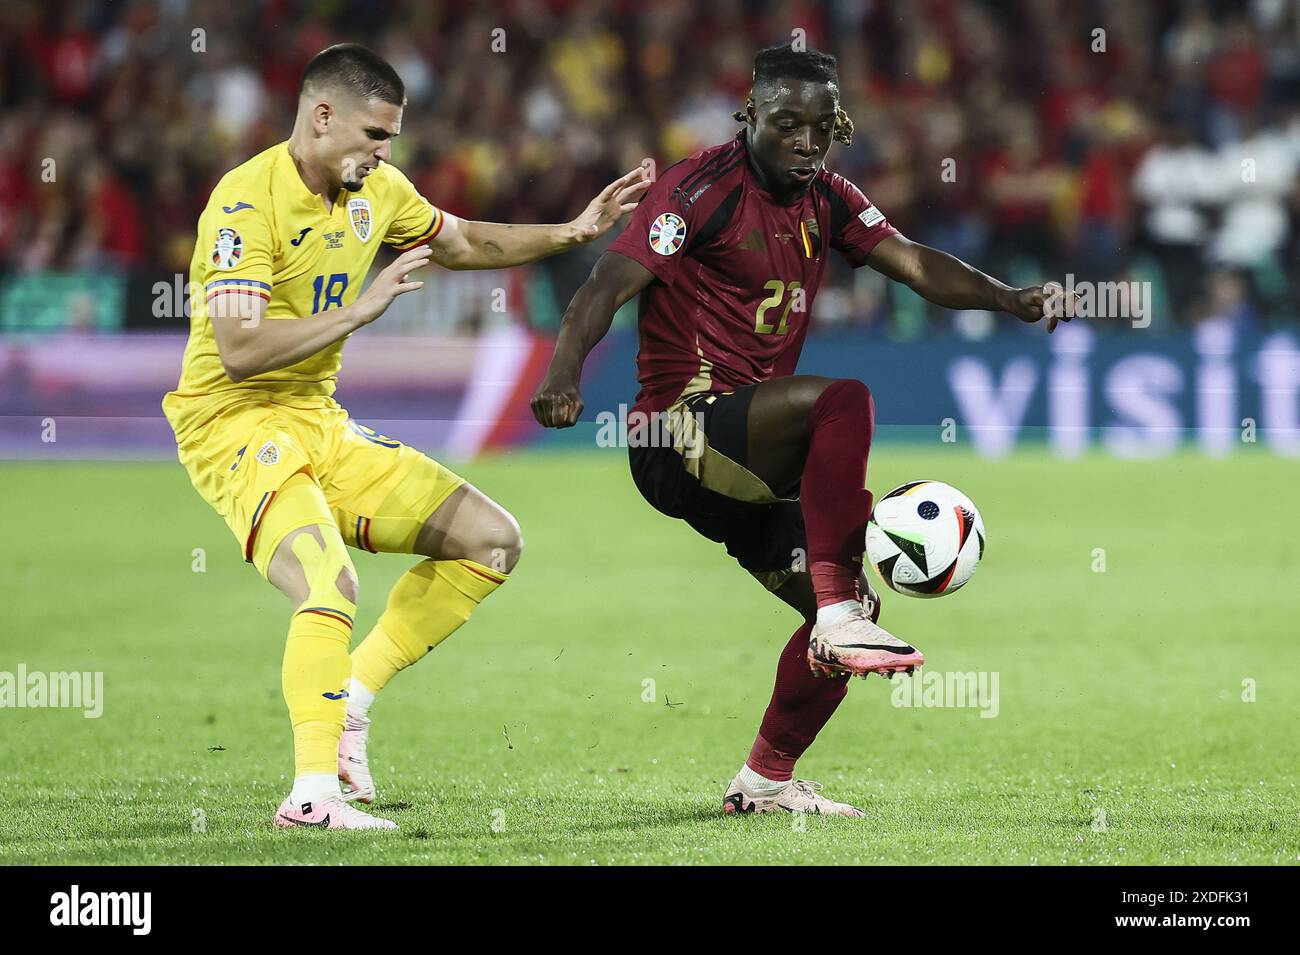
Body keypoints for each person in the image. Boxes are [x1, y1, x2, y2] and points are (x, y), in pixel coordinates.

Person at [531, 44, 1071, 817]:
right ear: (749, 115)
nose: (806, 143)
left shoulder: (832, 197)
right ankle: (836, 606)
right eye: (787, 124)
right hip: (677, 434)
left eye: (823, 128)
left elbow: (915, 264)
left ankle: (765, 781)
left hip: (744, 465)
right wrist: (563, 373)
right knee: (840, 403)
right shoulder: (697, 190)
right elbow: (603, 286)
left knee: (851, 613)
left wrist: (1008, 299)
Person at [163, 43, 649, 830]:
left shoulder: (377, 191)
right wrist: (358, 312)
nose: (385, 153)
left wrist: (572, 230)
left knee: (493, 540)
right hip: (234, 424)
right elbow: (241, 349)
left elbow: (459, 242)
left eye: (391, 138)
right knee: (330, 586)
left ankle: (348, 700)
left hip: (319, 423)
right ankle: (313, 798)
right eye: (374, 135)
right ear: (322, 117)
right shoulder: (245, 201)